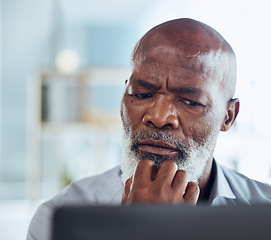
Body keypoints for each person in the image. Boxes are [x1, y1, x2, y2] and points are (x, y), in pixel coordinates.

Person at [27, 18, 271, 239]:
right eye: (141, 94)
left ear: (228, 117)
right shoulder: (57, 220)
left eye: (190, 101)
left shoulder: (264, 212)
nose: (159, 116)